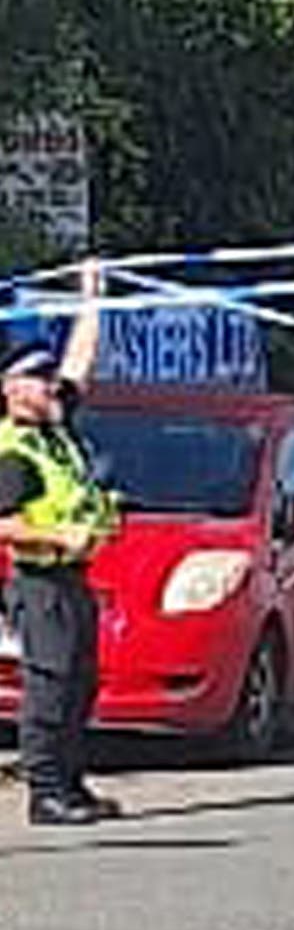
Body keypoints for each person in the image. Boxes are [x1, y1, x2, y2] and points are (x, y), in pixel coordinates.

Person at [2, 263, 117, 827]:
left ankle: (71, 784)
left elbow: (80, 363)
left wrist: (91, 298)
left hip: (73, 577)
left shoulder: (54, 427)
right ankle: (44, 790)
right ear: (11, 389)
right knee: (49, 683)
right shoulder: (12, 449)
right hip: (39, 580)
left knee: (81, 680)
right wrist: (59, 534)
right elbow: (3, 525)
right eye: (39, 380)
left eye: (50, 380)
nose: (52, 386)